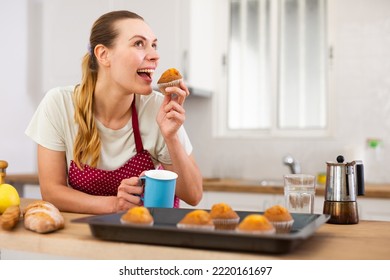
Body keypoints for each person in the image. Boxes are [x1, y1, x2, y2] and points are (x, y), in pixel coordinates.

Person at [25, 10, 203, 214]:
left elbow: (194, 195)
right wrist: (114, 204)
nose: (155, 55)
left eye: (153, 45)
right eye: (139, 43)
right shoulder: (59, 104)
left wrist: (171, 137)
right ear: (103, 54)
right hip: (86, 235)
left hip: (146, 232)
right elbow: (52, 191)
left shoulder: (158, 107)